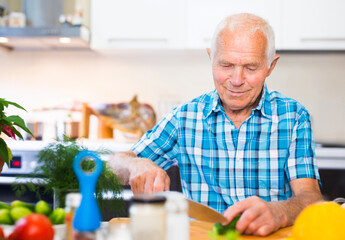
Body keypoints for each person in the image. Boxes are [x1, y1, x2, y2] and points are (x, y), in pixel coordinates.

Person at [108, 13, 323, 236]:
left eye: (251, 68)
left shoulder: (294, 116)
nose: (237, 80)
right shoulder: (185, 118)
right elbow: (113, 166)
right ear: (211, 58)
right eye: (226, 65)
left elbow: (311, 198)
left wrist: (279, 211)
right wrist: (134, 165)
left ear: (270, 66)